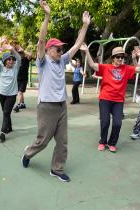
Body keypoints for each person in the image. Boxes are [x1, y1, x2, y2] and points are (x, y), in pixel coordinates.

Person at [21, 0, 90, 182]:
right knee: (43, 141)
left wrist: (84, 26)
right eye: (58, 48)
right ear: (49, 50)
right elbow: (41, 39)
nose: (61, 51)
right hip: (46, 107)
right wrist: (47, 16)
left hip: (61, 106)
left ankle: (57, 169)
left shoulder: (62, 60)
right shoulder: (43, 61)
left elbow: (77, 44)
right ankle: (28, 154)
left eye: (61, 48)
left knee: (63, 141)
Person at [82, 44, 140, 152]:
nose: (120, 59)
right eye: (118, 56)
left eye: (122, 57)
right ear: (113, 58)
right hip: (105, 99)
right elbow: (92, 64)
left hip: (118, 101)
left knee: (118, 123)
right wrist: (86, 51)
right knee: (105, 122)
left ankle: (112, 143)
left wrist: (138, 58)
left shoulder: (126, 69)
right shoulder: (106, 67)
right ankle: (102, 142)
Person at [0, 38, 21, 142]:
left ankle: (3, 132)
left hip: (12, 94)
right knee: (6, 112)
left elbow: (19, 58)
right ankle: (9, 127)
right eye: (9, 59)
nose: (11, 61)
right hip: (2, 94)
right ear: (5, 61)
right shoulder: (1, 68)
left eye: (11, 59)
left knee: (6, 112)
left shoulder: (15, 68)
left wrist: (12, 50)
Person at [13, 47, 32, 112]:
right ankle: (22, 104)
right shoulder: (17, 61)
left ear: (23, 54)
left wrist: (23, 50)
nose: (20, 55)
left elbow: (30, 55)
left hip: (24, 79)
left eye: (21, 54)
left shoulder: (26, 59)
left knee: (20, 92)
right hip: (18, 79)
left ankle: (18, 105)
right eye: (19, 54)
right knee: (20, 92)